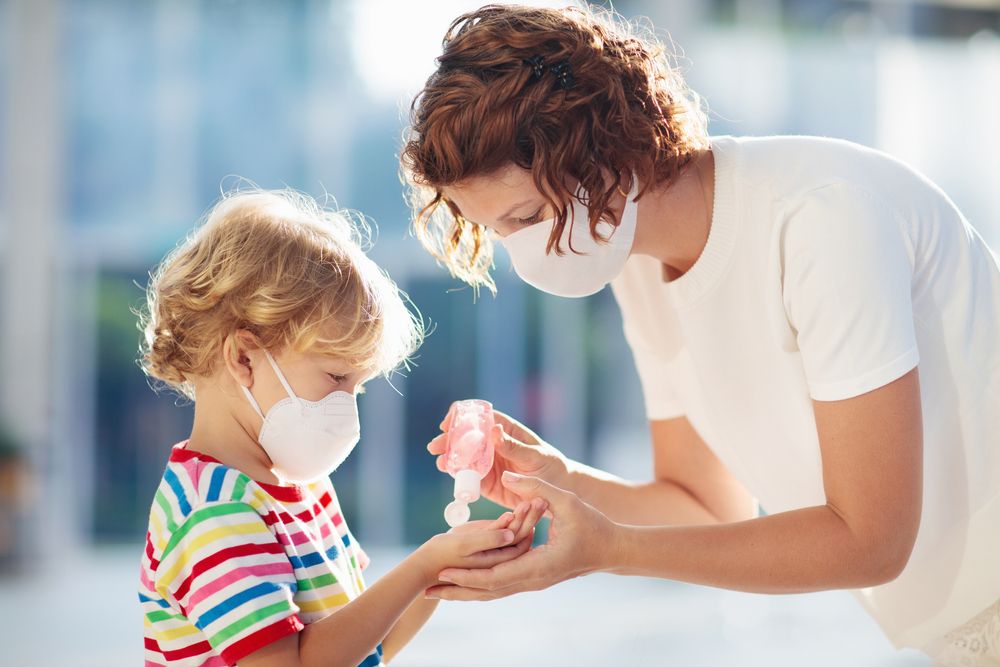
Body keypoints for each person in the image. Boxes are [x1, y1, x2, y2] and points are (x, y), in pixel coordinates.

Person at [400, 4, 1000, 665]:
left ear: (602, 146)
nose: (523, 253)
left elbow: (872, 540)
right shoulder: (638, 266)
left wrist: (613, 551)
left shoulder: (822, 219)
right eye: (499, 232)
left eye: (527, 216)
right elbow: (707, 507)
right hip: (953, 630)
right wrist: (559, 481)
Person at [136, 190, 547, 667]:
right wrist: (422, 566)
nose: (348, 407)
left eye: (359, 386)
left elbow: (367, 649)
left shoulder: (303, 485)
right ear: (243, 357)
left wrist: (444, 568)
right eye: (336, 377)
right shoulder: (212, 513)